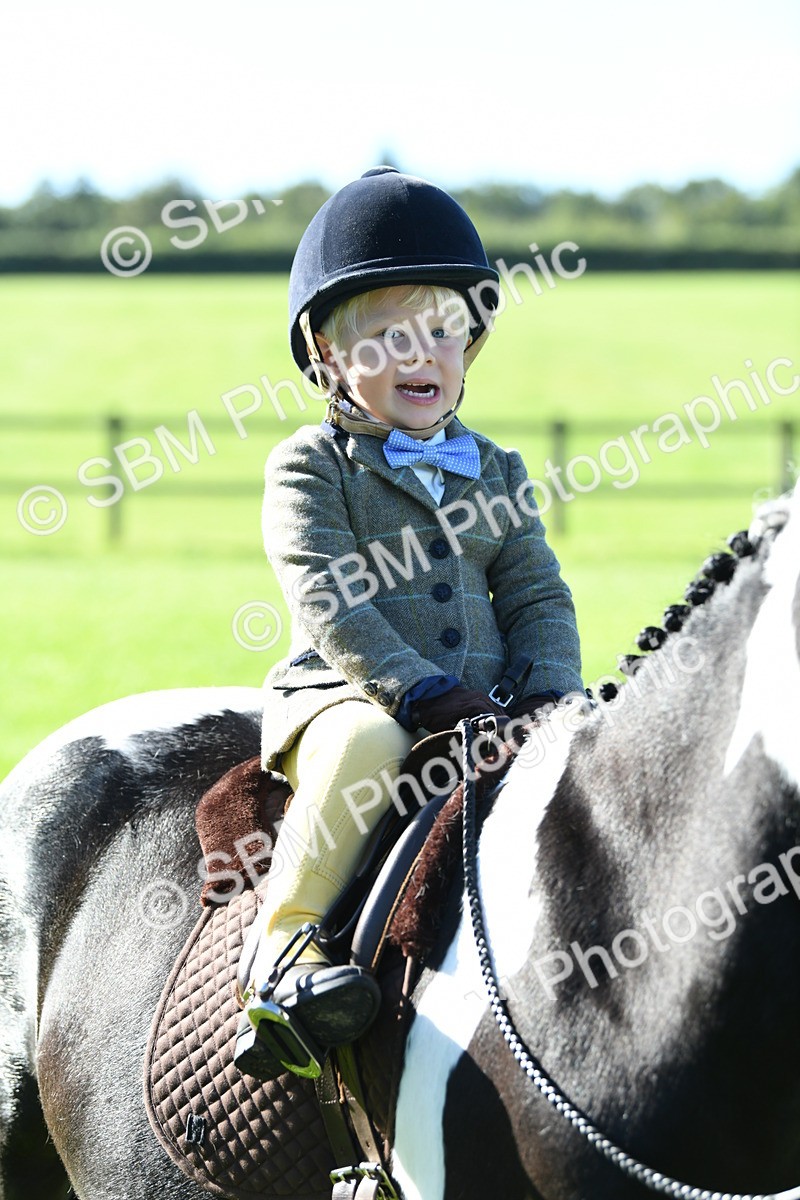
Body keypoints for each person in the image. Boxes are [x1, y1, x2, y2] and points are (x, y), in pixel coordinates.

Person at [236, 167, 583, 1079]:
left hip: (489, 698)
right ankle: (282, 952)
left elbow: (537, 593)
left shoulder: (497, 470)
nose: (420, 355)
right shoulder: (310, 466)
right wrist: (417, 687)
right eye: (386, 337)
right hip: (351, 694)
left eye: (442, 332)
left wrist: (549, 692)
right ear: (326, 353)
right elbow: (326, 593)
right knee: (368, 747)